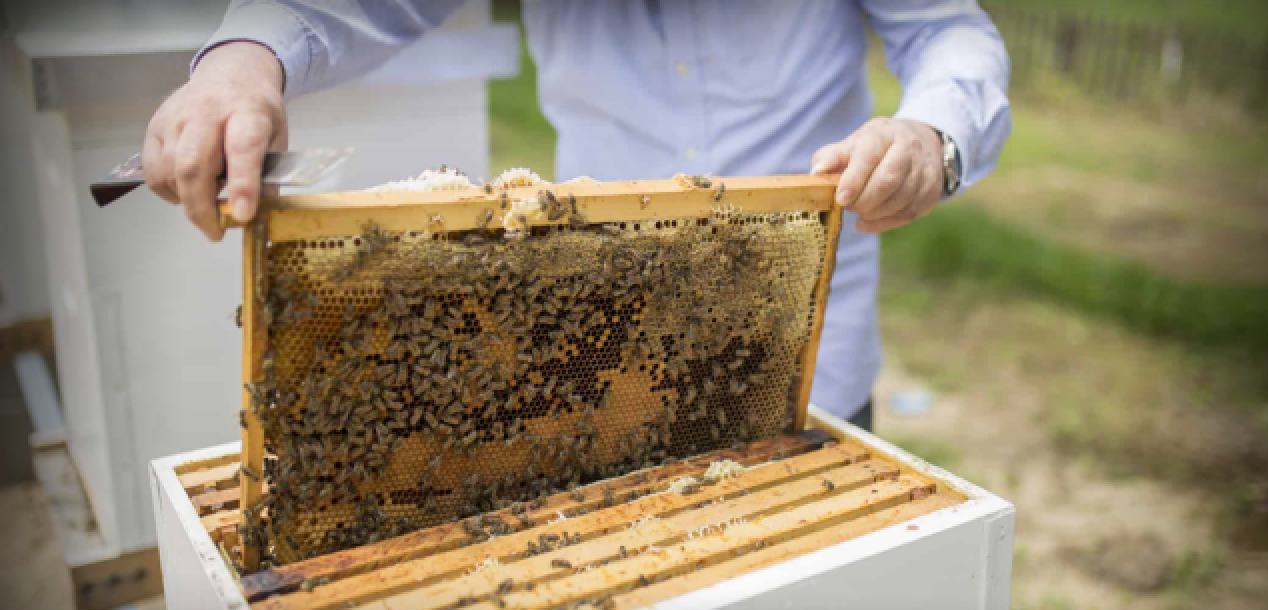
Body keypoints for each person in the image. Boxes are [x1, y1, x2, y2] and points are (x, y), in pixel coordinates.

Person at [143, 0, 1011, 431]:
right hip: (598, 329)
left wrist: (934, 132)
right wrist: (244, 61)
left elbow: (949, 29)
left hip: (807, 344)